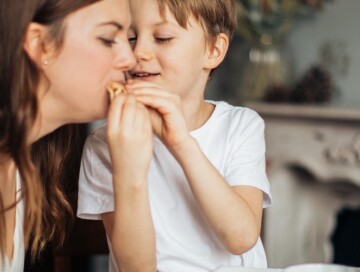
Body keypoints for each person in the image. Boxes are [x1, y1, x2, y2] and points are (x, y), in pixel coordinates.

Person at [77, 0, 272, 271]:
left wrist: (180, 142)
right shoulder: (106, 144)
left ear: (213, 50)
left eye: (163, 37)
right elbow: (135, 268)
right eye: (130, 38)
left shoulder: (241, 126)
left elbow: (241, 238)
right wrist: (128, 167)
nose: (139, 52)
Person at [0, 0, 135, 270]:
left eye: (129, 38)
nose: (130, 59)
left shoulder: (24, 168)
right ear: (40, 44)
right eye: (108, 39)